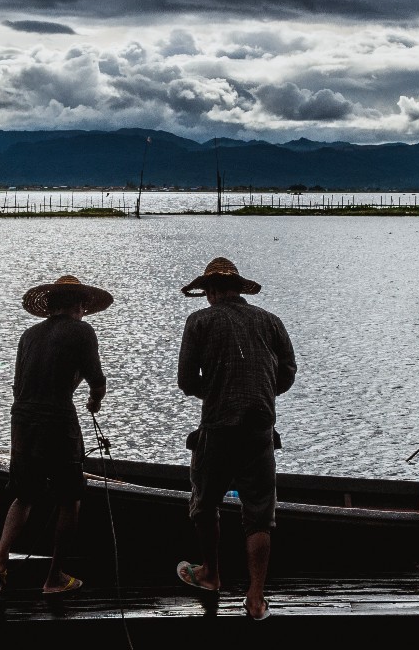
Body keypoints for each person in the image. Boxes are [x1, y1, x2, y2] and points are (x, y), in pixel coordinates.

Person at [174, 257, 297, 621]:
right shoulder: (270, 321)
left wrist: (213, 390)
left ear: (210, 291)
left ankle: (211, 574)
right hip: (260, 427)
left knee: (204, 502)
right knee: (259, 515)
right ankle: (256, 599)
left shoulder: (199, 321)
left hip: (218, 426)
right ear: (238, 289)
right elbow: (288, 372)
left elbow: (185, 381)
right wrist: (260, 392)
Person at [0, 274, 111, 594]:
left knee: (24, 494)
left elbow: (20, 385)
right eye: (84, 307)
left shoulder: (29, 335)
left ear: (50, 307)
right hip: (57, 418)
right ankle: (54, 576)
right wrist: (94, 400)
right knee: (70, 498)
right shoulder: (83, 331)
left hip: (22, 417)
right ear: (81, 306)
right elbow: (96, 380)